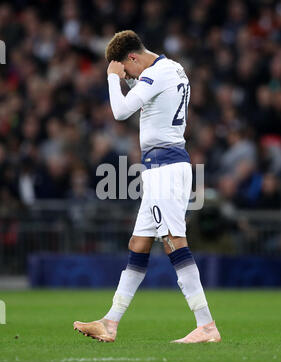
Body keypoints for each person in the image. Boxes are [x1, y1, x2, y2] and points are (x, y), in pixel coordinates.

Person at [73, 30, 221, 344]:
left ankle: (206, 326)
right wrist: (126, 78)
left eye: (127, 70)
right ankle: (110, 323)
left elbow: (121, 111)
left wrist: (113, 79)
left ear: (133, 58)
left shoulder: (158, 73)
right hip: (162, 168)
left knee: (173, 240)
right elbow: (147, 99)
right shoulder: (172, 69)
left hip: (166, 169)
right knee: (139, 244)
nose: (129, 77)